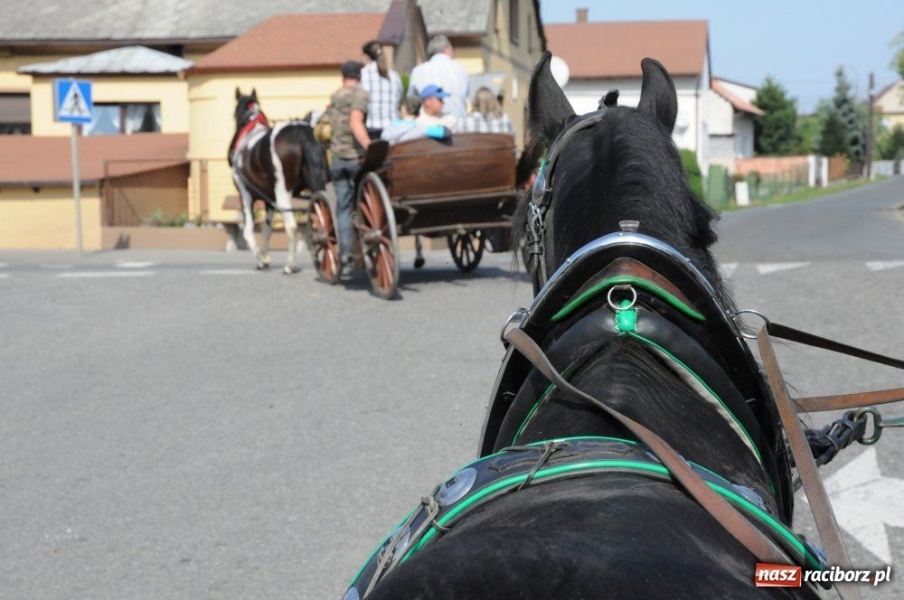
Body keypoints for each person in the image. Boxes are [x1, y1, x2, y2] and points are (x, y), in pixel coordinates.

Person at [328, 60, 371, 272]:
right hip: (355, 158)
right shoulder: (359, 95)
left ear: (342, 76)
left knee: (343, 208)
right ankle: (366, 247)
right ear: (360, 76)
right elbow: (356, 122)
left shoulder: (335, 97)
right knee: (366, 202)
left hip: (337, 159)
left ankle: (346, 254)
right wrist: (369, 146)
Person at [407, 34, 470, 119]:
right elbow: (466, 96)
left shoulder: (418, 71)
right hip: (458, 123)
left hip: (428, 125)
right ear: (446, 49)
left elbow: (412, 101)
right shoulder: (461, 69)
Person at [359, 40, 402, 140]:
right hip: (393, 127)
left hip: (371, 128)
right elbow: (398, 98)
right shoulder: (394, 76)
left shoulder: (362, 74)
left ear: (366, 56)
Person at [381, 96, 452, 144]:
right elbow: (445, 133)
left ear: (403, 108)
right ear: (419, 111)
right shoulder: (422, 128)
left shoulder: (390, 127)